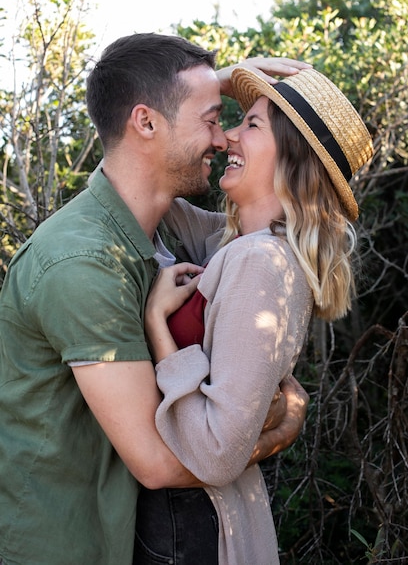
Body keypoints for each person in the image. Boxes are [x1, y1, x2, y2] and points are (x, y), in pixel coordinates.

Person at [0, 33, 312, 565]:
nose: (221, 139)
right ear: (145, 123)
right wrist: (282, 427)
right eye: (212, 119)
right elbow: (160, 466)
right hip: (69, 542)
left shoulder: (162, 226)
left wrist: (216, 82)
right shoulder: (84, 264)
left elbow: (268, 230)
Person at [137, 66, 374, 564]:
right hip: (190, 515)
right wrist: (214, 84)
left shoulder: (260, 261)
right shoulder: (233, 244)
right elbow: (125, 174)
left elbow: (218, 453)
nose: (226, 137)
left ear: (293, 158)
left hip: (197, 525)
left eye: (251, 124)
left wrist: (159, 328)